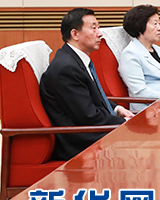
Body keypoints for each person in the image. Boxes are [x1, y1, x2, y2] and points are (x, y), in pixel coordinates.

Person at [40, 8, 134, 161]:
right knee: (145, 141)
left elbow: (91, 98)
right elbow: (88, 116)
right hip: (81, 141)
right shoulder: (66, 68)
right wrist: (124, 123)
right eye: (93, 28)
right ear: (75, 34)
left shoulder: (75, 59)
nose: (100, 33)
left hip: (92, 130)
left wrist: (117, 109)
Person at [119, 4, 160, 112]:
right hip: (151, 110)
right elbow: (140, 92)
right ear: (140, 26)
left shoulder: (159, 50)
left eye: (159, 24)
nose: (159, 28)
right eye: (155, 24)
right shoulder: (130, 54)